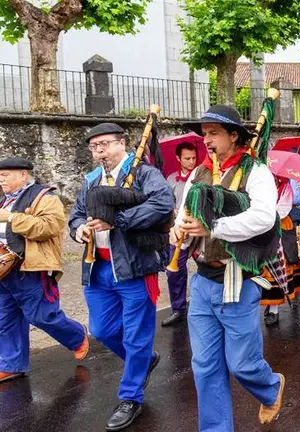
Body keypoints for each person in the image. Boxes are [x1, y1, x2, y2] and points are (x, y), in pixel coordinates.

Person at [174, 105, 285, 429]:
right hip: (204, 280)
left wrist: (214, 228)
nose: (206, 140)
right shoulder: (199, 173)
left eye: (213, 133)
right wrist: (178, 229)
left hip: (237, 278)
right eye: (204, 134)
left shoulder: (256, 171)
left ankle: (271, 387)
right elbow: (184, 213)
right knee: (205, 365)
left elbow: (265, 217)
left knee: (242, 364)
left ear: (233, 136)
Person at [69, 123, 172, 431]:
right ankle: (142, 360)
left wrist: (119, 220)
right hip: (97, 268)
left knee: (136, 335)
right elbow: (75, 213)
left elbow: (163, 203)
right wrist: (79, 230)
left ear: (123, 143)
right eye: (94, 147)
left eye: (105, 144)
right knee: (101, 330)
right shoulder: (91, 180)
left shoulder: (143, 173)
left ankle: (130, 397)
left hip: (134, 268)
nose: (100, 151)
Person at [0, 157, 89, 383]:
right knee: (5, 318)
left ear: (23, 175)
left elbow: (49, 227)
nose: (1, 179)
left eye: (6, 174)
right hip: (4, 269)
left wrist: (12, 217)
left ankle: (77, 336)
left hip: (29, 267)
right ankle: (11, 364)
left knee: (41, 315)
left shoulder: (45, 197)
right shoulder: (3, 200)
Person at [261, 178, 300, 327]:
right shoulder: (260, 185)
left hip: (280, 225)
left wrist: (266, 215)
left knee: (280, 265)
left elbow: (283, 209)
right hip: (263, 227)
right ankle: (271, 303)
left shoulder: (285, 187)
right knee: (265, 268)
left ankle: (274, 309)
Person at [162, 141, 198, 327]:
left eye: (194, 158)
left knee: (211, 266)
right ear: (178, 158)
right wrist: (173, 213)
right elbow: (165, 203)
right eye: (187, 158)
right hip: (179, 229)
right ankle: (178, 309)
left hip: (199, 230)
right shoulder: (170, 179)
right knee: (174, 271)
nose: (192, 161)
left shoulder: (201, 176)